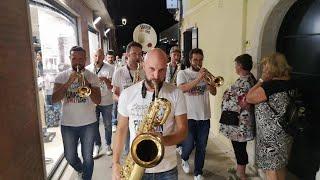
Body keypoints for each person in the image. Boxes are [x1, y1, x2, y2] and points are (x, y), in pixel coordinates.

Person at [112, 48, 188, 180]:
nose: (156, 76)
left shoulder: (176, 94)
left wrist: (161, 140)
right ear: (143, 65)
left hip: (167, 169)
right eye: (152, 69)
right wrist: (116, 162)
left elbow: (183, 131)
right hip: (136, 166)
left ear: (167, 67)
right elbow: (121, 130)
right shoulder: (127, 94)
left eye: (161, 70)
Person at [52, 46, 101, 180]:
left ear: (85, 59)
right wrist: (68, 82)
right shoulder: (61, 76)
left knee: (88, 158)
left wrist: (87, 84)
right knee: (70, 156)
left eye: (80, 59)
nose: (77, 62)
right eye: (74, 58)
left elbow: (98, 100)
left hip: (89, 123)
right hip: (68, 124)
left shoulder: (93, 77)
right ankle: (80, 170)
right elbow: (54, 99)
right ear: (70, 59)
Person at [246, 53, 293, 180]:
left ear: (273, 68)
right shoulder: (290, 82)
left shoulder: (270, 86)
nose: (264, 70)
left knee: (271, 168)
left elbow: (249, 97)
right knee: (280, 165)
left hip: (270, 136)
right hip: (285, 132)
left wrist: (261, 80)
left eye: (266, 67)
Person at [177, 48, 217, 180]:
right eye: (195, 59)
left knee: (202, 147)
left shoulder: (205, 74)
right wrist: (198, 78)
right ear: (190, 60)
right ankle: (184, 158)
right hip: (188, 117)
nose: (198, 62)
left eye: (200, 60)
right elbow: (182, 89)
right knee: (188, 145)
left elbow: (214, 92)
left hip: (204, 117)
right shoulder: (183, 73)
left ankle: (198, 172)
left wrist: (209, 82)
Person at [219, 54, 256, 180]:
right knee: (239, 147)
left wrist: (227, 96)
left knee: (239, 148)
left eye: (236, 65)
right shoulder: (248, 78)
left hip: (240, 122)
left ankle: (241, 174)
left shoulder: (245, 82)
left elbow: (242, 103)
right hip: (239, 121)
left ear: (240, 66)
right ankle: (239, 169)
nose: (235, 67)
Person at [112, 41, 145, 154]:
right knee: (127, 146)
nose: (137, 57)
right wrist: (123, 101)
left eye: (140, 54)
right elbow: (114, 94)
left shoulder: (144, 71)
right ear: (127, 55)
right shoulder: (119, 72)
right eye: (134, 54)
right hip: (124, 114)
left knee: (141, 142)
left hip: (141, 112)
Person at [87, 48, 114, 158]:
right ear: (93, 56)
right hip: (92, 101)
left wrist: (105, 79)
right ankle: (97, 145)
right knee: (94, 125)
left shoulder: (111, 68)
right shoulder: (88, 68)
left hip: (106, 101)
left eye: (100, 56)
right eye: (96, 56)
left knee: (108, 125)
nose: (97, 59)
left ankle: (108, 145)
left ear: (104, 57)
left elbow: (112, 87)